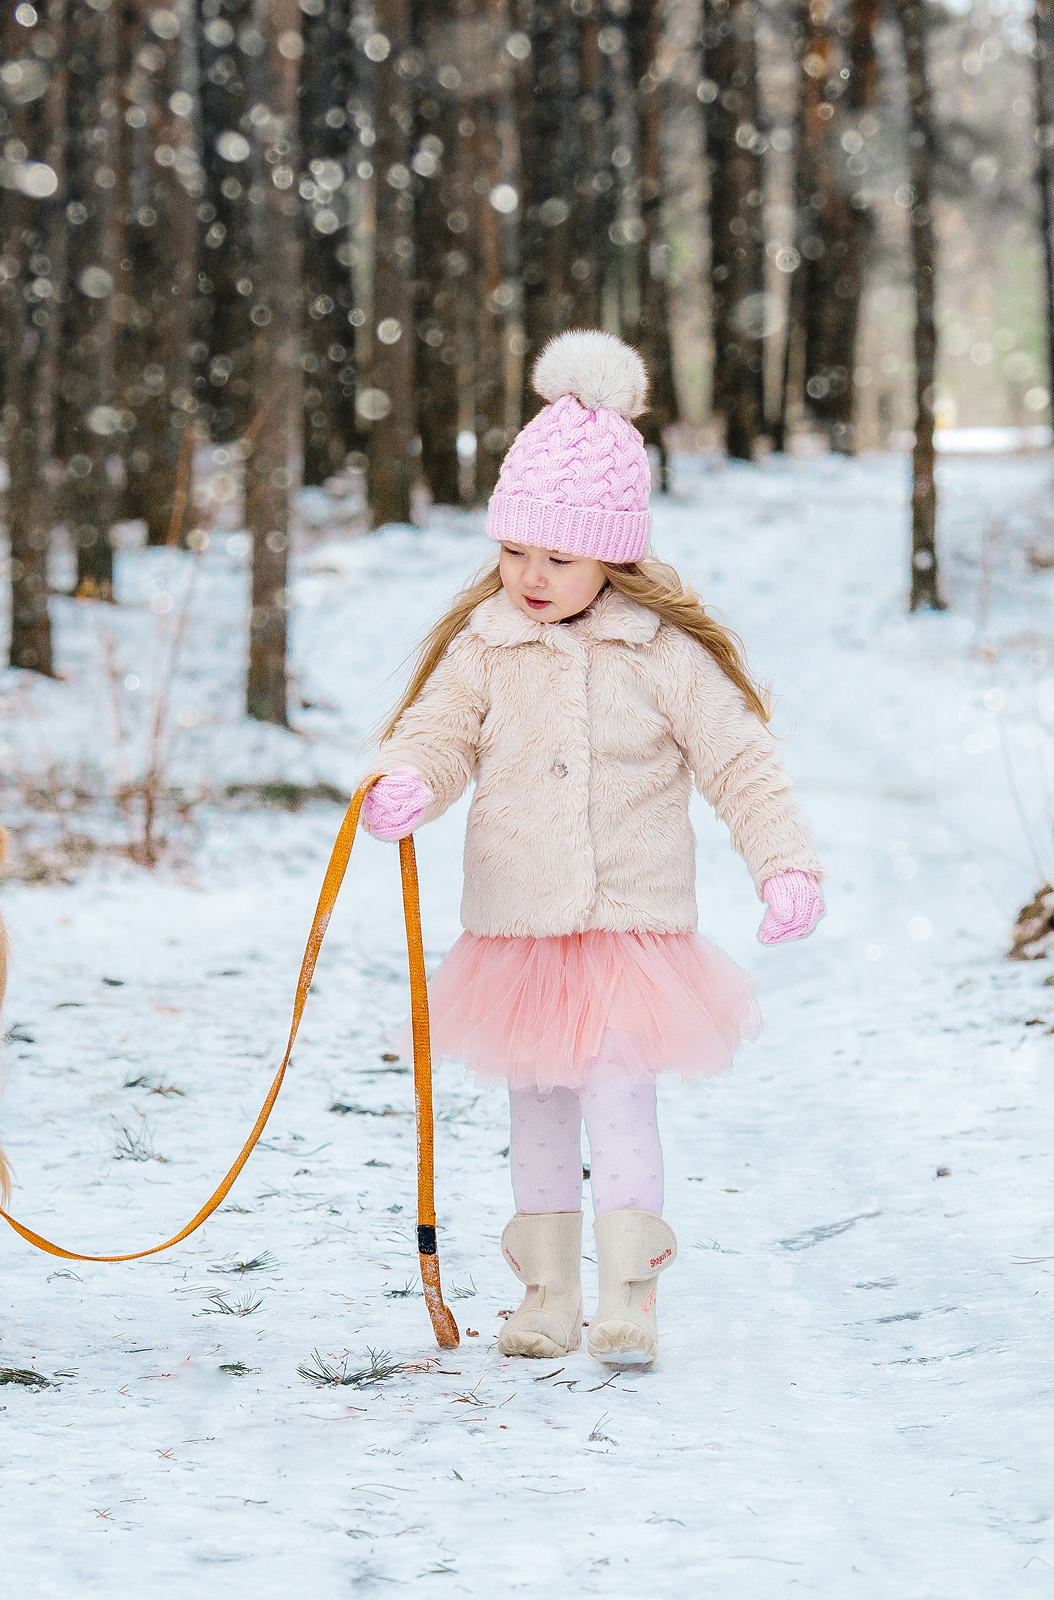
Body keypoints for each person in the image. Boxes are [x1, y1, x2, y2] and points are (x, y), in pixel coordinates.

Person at [361, 329, 825, 1368]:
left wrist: (784, 862)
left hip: (628, 924)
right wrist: (407, 783)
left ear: (611, 553)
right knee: (536, 1106)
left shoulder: (662, 654)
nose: (529, 575)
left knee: (618, 1092)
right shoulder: (487, 645)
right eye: (515, 550)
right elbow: (436, 734)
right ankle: (544, 1292)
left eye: (557, 557)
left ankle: (628, 1292)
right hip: (522, 925)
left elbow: (739, 762)